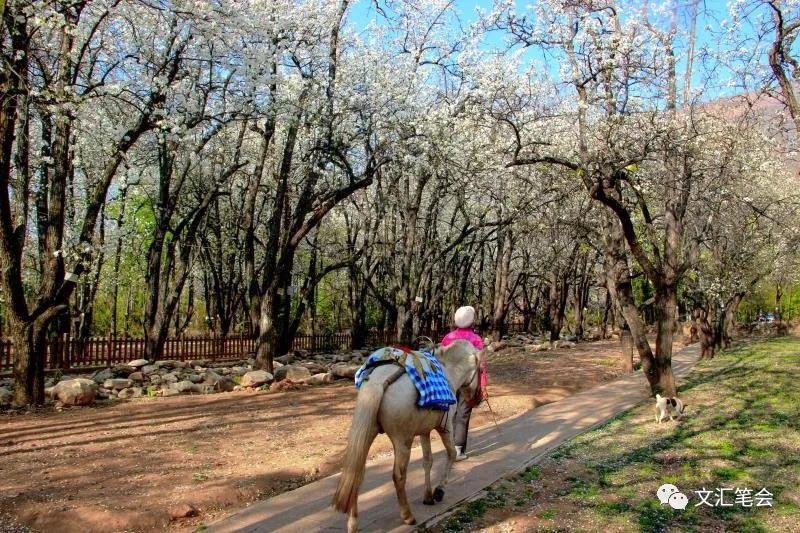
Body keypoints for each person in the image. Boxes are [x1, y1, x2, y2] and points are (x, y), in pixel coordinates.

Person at [441, 305, 485, 461]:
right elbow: (480, 365)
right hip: (468, 381)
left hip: (450, 381)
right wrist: (482, 383)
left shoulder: (448, 338)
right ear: (472, 321)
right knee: (463, 414)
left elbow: (442, 360)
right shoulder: (476, 339)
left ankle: (450, 446)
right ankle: (458, 449)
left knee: (451, 413)